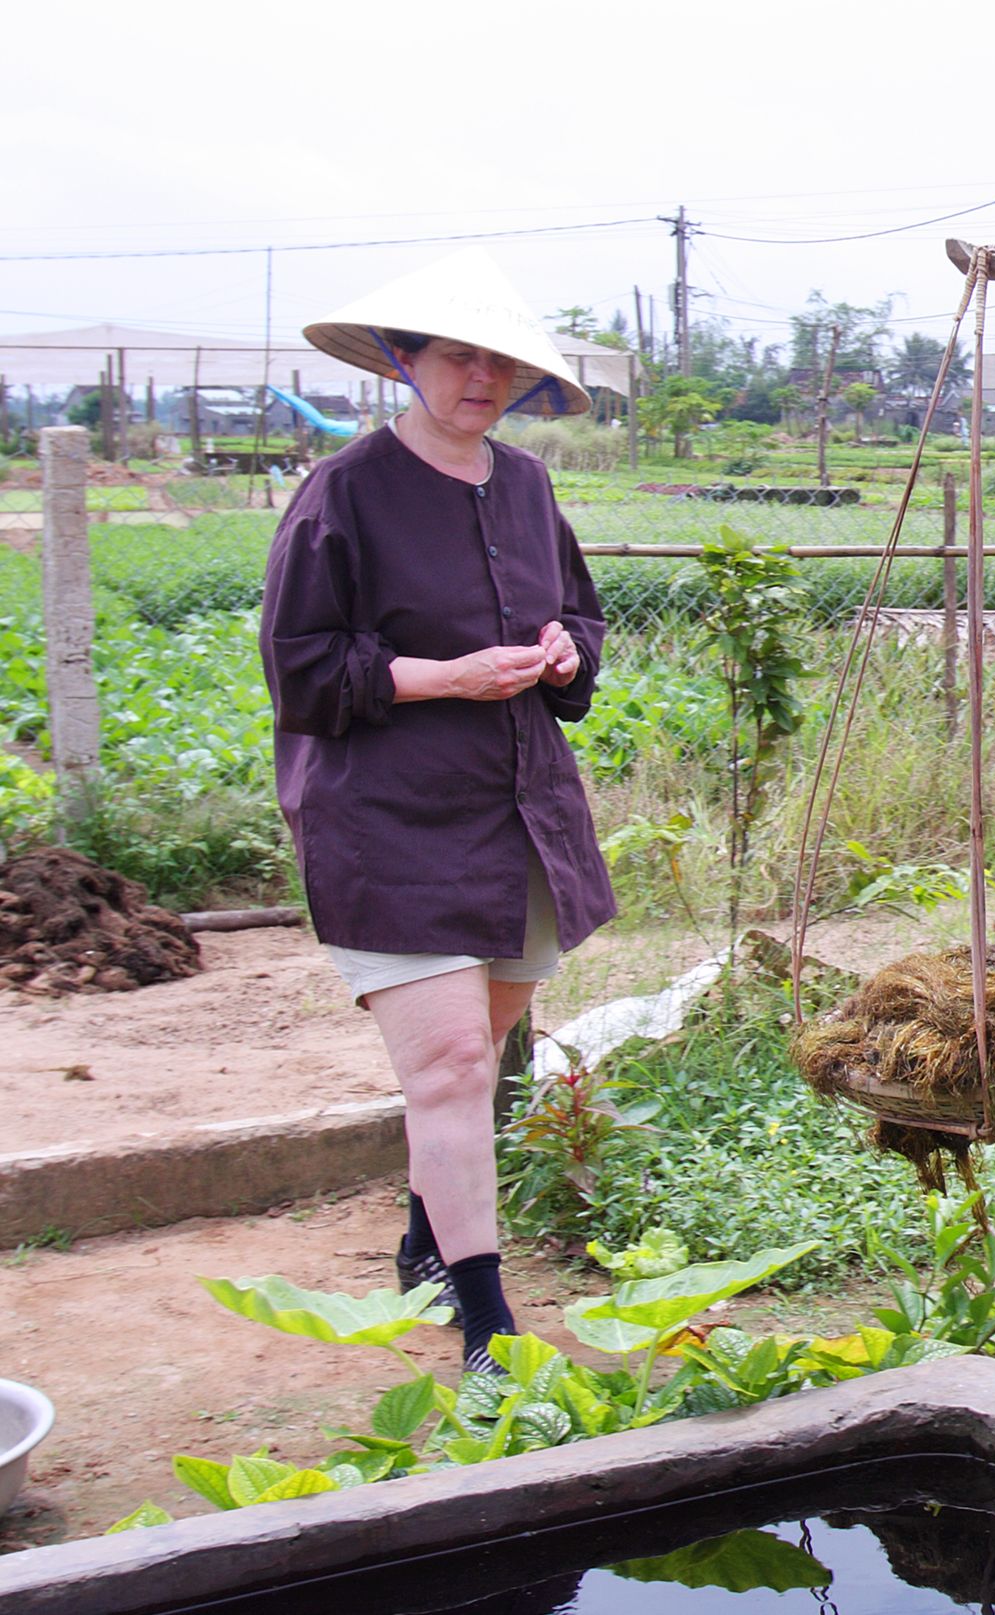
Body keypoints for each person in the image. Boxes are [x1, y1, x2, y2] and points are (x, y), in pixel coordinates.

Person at [259, 248, 616, 1374]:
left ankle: (425, 1235)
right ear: (403, 360)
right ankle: (486, 1323)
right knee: (455, 1063)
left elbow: (584, 634)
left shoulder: (525, 484)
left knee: (483, 1044)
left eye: (500, 361)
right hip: (389, 815)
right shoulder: (345, 491)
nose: (481, 377)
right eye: (456, 355)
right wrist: (443, 676)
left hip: (516, 809)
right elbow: (303, 670)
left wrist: (563, 653)